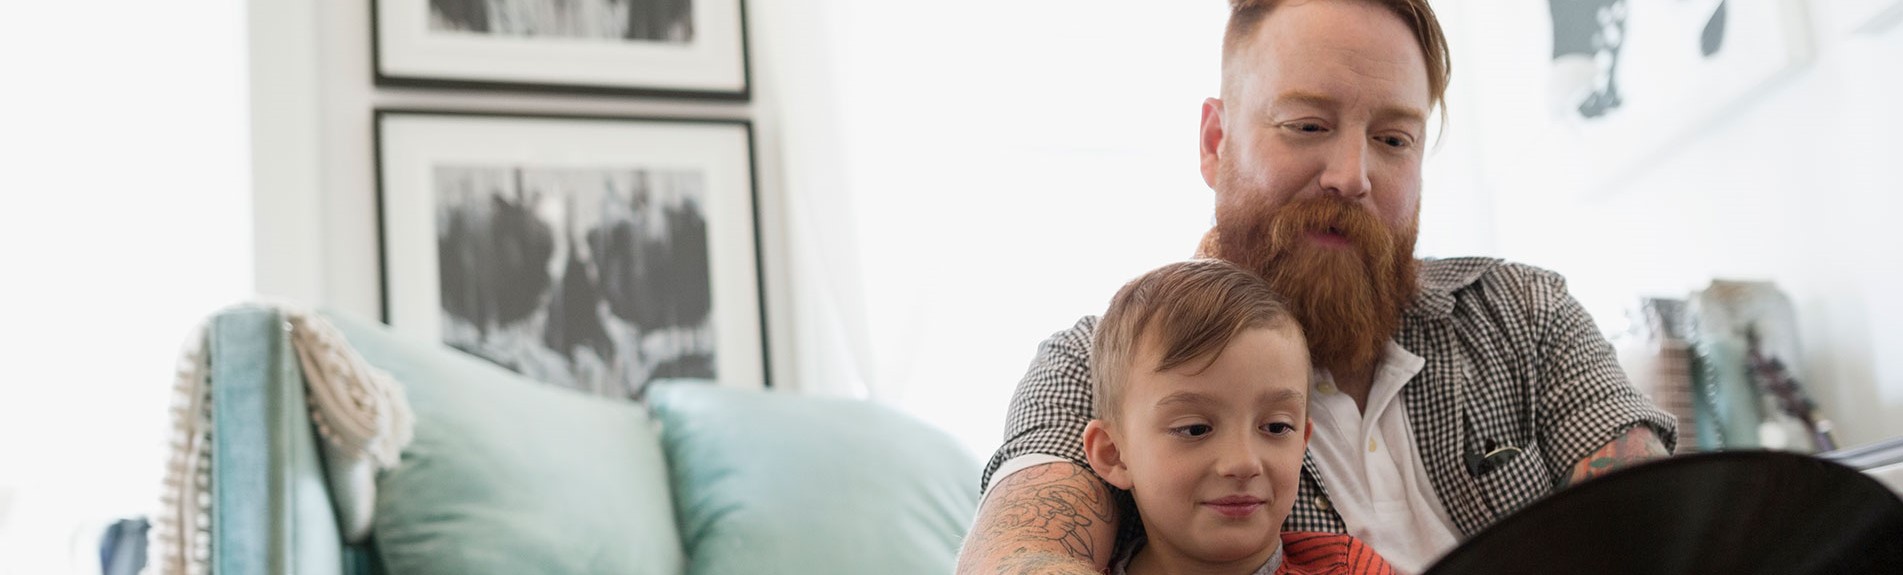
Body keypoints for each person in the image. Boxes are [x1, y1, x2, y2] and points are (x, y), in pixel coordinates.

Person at [955, 1, 1679, 573]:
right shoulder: (1109, 365)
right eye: (1306, 125)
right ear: (1214, 142)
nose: (1351, 175)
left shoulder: (1527, 315)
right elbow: (1022, 553)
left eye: (1393, 138)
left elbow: (1665, 529)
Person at [1081, 259, 1395, 574]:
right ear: (1114, 455)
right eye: (1195, 430)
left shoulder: (1350, 568)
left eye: (1276, 427)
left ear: (1303, 443)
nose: (1244, 463)